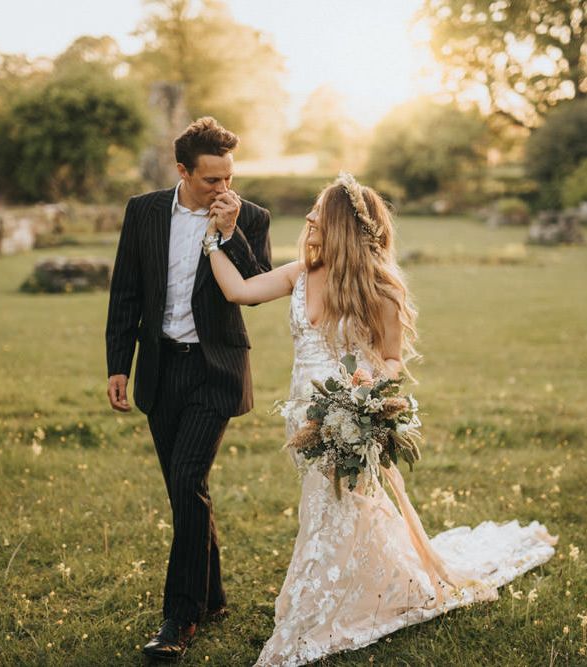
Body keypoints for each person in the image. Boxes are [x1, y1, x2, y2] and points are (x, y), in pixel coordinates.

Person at [205, 173, 557, 666]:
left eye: (317, 214)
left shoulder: (381, 289)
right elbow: (240, 291)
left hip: (349, 414)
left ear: (340, 227)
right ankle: (365, 581)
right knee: (330, 505)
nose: (308, 219)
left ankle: (326, 598)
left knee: (340, 506)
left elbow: (391, 358)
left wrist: (365, 388)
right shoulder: (299, 275)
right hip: (303, 417)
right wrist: (214, 241)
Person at [105, 117, 272, 660]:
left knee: (187, 478)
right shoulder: (145, 212)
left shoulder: (250, 217)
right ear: (182, 171)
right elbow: (126, 290)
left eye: (229, 178)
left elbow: (258, 286)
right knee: (187, 491)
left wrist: (229, 232)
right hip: (160, 369)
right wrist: (118, 365)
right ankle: (214, 595)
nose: (224, 190)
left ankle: (179, 617)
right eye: (210, 181)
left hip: (214, 368)